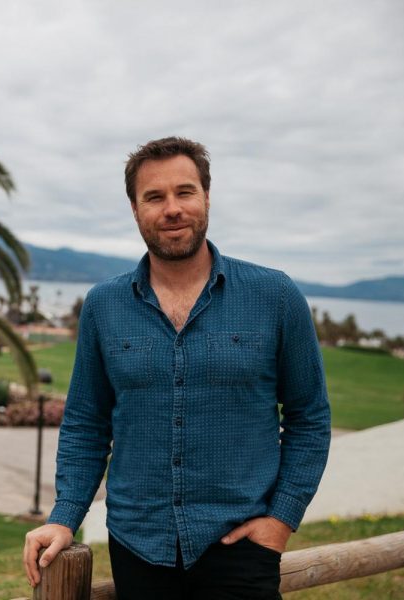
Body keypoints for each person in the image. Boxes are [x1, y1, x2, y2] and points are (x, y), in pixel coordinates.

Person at [22, 137, 331, 599]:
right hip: (138, 548)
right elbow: (87, 423)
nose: (172, 208)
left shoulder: (275, 295)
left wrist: (281, 519)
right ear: (134, 208)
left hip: (243, 548)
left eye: (184, 192)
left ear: (207, 196)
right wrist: (65, 516)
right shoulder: (103, 306)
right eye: (154, 196)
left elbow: (309, 417)